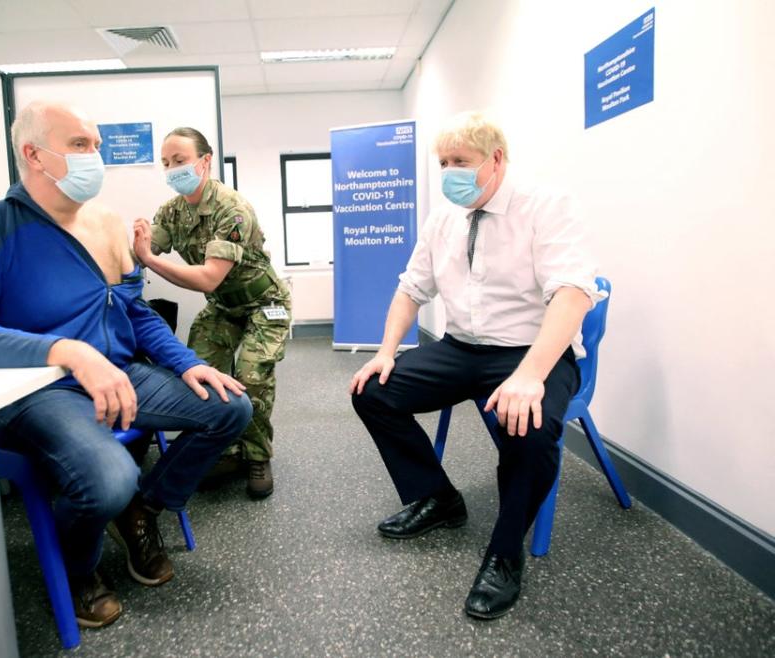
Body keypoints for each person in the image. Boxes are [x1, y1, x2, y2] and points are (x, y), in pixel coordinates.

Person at [0, 101, 252, 629]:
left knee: (230, 406)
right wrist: (68, 352)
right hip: (42, 391)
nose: (94, 156)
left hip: (120, 373)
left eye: (96, 145)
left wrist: (188, 363)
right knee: (107, 479)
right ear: (34, 155)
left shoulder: (105, 224)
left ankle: (143, 510)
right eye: (80, 145)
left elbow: (136, 313)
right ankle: (78, 567)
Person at [349, 111, 604, 620]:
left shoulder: (546, 206)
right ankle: (437, 498)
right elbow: (410, 288)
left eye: (460, 162)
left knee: (530, 433)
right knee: (371, 392)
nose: (449, 173)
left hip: (530, 351)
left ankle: (505, 553)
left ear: (496, 160)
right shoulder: (443, 217)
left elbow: (574, 294)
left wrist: (530, 375)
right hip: (462, 347)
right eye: (443, 163)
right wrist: (384, 352)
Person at [131, 127, 291, 499]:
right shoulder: (172, 211)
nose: (173, 169)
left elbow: (207, 278)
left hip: (264, 304)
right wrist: (131, 250)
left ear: (205, 161)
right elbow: (145, 247)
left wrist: (149, 260)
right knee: (203, 373)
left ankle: (256, 454)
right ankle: (226, 448)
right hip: (223, 307)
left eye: (180, 161)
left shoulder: (232, 209)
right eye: (166, 163)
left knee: (251, 375)